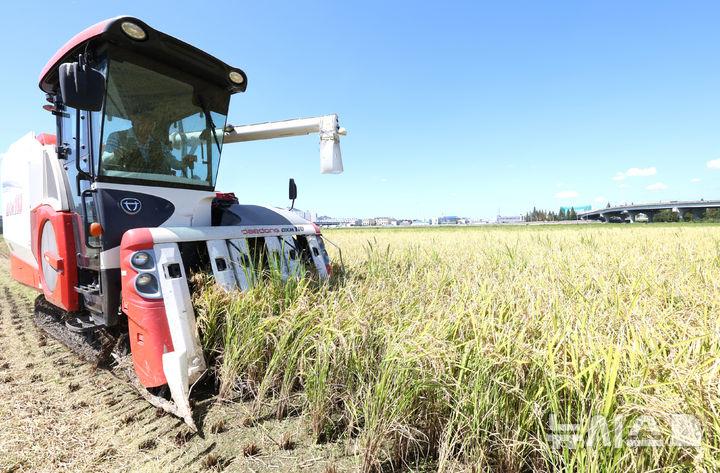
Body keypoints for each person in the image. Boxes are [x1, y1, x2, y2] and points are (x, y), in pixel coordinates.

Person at [102, 110, 196, 175]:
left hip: (154, 188)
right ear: (133, 120)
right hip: (124, 186)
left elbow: (172, 162)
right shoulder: (117, 137)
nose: (147, 127)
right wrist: (115, 156)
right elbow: (104, 161)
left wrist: (184, 163)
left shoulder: (159, 145)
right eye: (143, 122)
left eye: (151, 123)